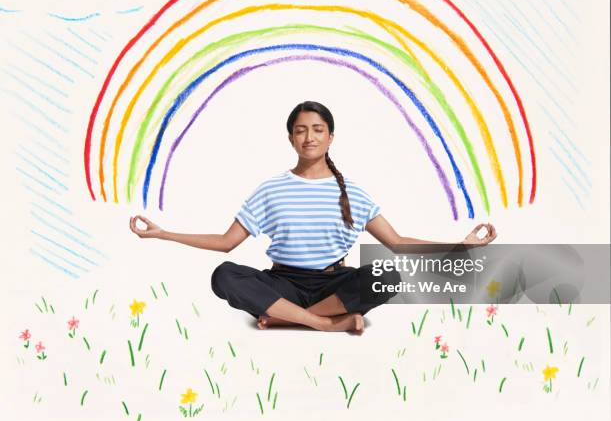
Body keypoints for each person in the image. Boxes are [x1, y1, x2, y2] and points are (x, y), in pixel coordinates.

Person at [129, 101, 496, 334]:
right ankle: (322, 322)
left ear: (330, 137)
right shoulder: (271, 189)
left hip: (333, 284)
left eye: (317, 129)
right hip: (283, 284)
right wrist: (163, 234)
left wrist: (463, 244)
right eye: (301, 130)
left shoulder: (352, 191)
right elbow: (227, 243)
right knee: (225, 275)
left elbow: (397, 243)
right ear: (291, 137)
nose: (309, 137)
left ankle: (286, 319)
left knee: (387, 273)